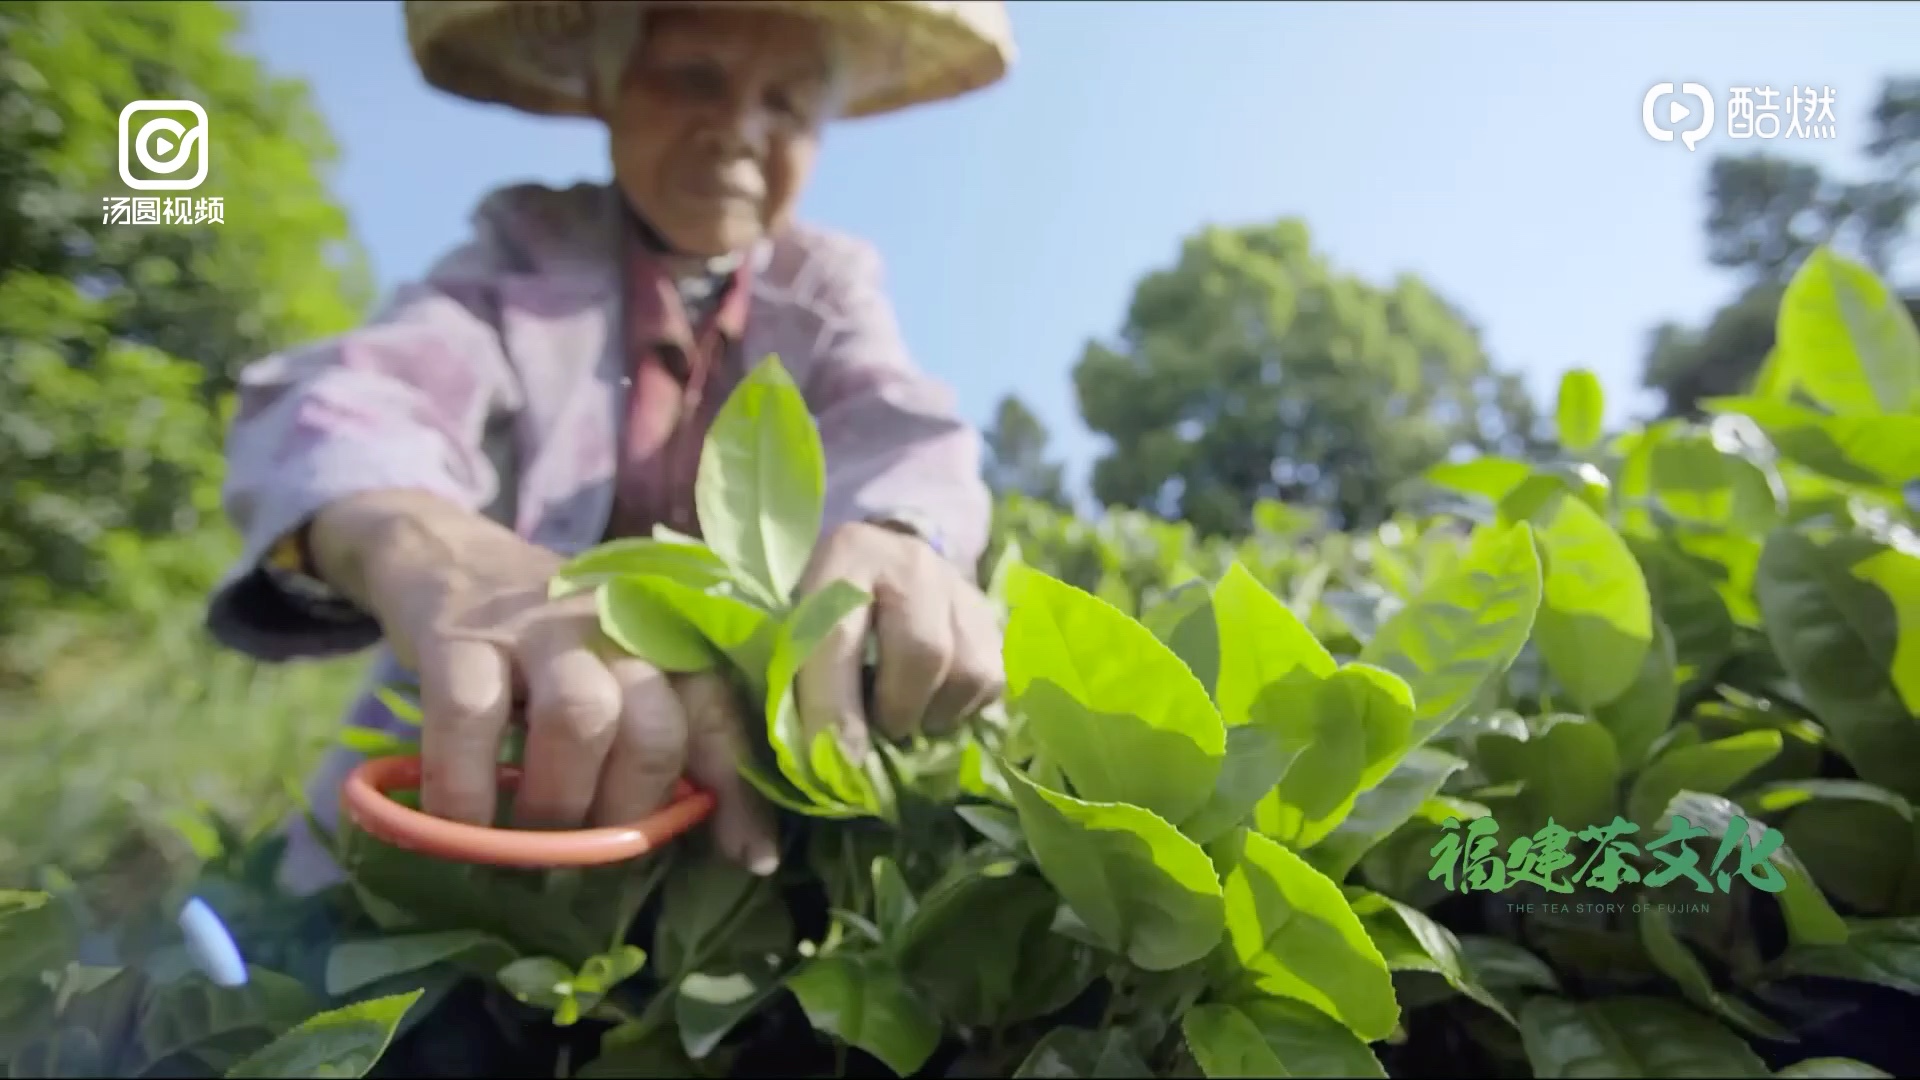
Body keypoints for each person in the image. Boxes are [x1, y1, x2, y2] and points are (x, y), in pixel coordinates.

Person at [206, 0, 1017, 893]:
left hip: (723, 845)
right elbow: (367, 393)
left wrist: (904, 533)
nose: (739, 132)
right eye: (693, 77)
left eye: (785, 103)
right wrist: (429, 547)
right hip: (449, 800)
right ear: (608, 87)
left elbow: (898, 426)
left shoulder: (828, 284)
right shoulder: (524, 249)